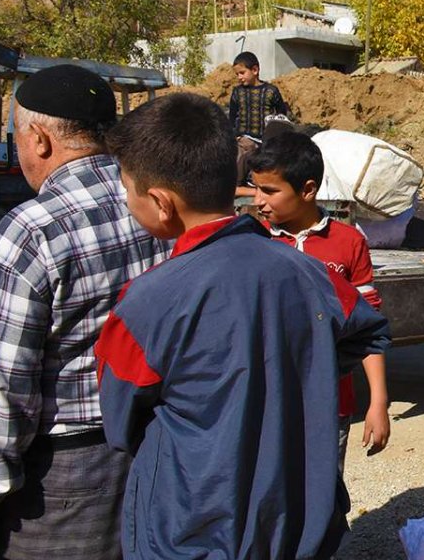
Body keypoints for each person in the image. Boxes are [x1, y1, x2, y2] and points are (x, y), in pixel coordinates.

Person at [94, 93, 391, 559]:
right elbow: (369, 329)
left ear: (160, 202)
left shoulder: (147, 302)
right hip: (296, 526)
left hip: (193, 529)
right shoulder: (310, 275)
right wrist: (300, 375)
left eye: (127, 189)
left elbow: (120, 422)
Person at [0, 64, 169, 559]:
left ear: (39, 138)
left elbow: (2, 384)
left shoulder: (32, 229)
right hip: (155, 447)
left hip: (62, 481)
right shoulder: (161, 206)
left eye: (16, 137)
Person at [248, 131, 391, 465]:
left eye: (269, 191)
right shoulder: (251, 241)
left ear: (308, 190)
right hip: (265, 405)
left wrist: (378, 401)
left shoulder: (348, 242)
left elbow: (366, 329)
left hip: (330, 403)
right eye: (255, 188)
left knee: (324, 495)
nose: (257, 200)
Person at [228, 52, 288, 197]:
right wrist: (234, 136)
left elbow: (281, 114)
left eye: (242, 73)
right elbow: (232, 116)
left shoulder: (271, 91)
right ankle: (235, 187)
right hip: (244, 139)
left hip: (266, 141)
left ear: (255, 70)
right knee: (241, 157)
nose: (239, 77)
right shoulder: (238, 93)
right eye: (237, 74)